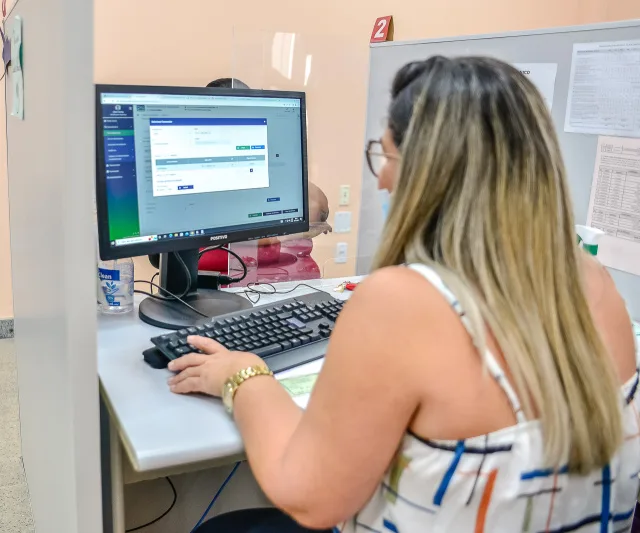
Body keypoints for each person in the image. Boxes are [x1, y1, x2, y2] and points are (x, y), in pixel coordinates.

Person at [166, 57, 640, 532]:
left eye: (387, 156)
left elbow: (307, 496)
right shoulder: (595, 281)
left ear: (430, 172)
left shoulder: (402, 304)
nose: (381, 181)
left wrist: (243, 374)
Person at [149, 77, 332, 284]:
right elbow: (160, 258)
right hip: (208, 290)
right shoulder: (189, 176)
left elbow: (317, 208)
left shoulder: (263, 166)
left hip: (281, 284)